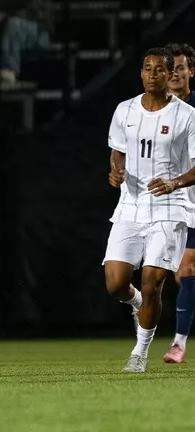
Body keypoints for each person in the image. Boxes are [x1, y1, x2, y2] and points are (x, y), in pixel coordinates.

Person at [104, 47, 195, 373]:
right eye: (147, 68)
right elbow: (118, 151)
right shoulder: (124, 110)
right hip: (131, 205)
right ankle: (138, 305)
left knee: (152, 281)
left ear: (170, 74)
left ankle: (139, 352)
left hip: (170, 207)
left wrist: (174, 182)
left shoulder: (187, 115)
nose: (152, 74)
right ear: (141, 73)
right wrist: (116, 170)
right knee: (115, 284)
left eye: (159, 69)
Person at [162, 42, 195, 364]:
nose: (174, 74)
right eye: (169, 68)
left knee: (187, 268)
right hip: (173, 204)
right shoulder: (153, 109)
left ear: (191, 72)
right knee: (181, 275)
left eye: (180, 68)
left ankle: (178, 344)